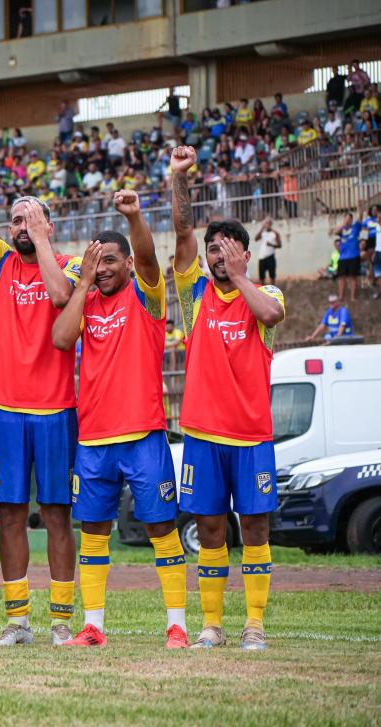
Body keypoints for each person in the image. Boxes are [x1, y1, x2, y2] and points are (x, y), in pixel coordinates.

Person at [0, 132, 81, 647]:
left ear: (49, 226)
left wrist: (42, 240)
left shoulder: (71, 265)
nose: (18, 225)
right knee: (7, 514)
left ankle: (62, 621)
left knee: (55, 514)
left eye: (29, 217)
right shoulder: (1, 262)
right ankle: (19, 621)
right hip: (5, 409)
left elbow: (59, 296)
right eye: (15, 219)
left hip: (54, 408)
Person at [50, 191, 188, 649]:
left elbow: (149, 255)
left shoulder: (146, 294)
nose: (104, 267)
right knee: (92, 530)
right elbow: (60, 339)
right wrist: (84, 283)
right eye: (97, 260)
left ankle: (177, 627)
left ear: (128, 263)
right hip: (93, 438)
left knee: (161, 529)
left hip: (144, 434)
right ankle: (93, 627)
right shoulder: (86, 301)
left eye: (111, 259)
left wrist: (133, 215)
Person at [170, 145, 285, 651]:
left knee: (255, 528)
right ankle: (212, 625)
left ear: (244, 253)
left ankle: (254, 625)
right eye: (213, 248)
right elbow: (180, 231)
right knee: (211, 530)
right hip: (201, 435)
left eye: (228, 247)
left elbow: (272, 317)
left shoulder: (268, 295)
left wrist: (241, 275)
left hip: (251, 435)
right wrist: (179, 178)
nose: (218, 254)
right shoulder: (193, 295)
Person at [331, 210, 363, 302]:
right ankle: (341, 296)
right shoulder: (342, 229)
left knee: (353, 277)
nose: (348, 220)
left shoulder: (355, 227)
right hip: (343, 257)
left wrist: (360, 208)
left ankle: (353, 297)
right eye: (347, 218)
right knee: (341, 277)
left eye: (350, 218)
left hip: (354, 256)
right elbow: (335, 231)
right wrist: (344, 223)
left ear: (352, 220)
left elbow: (360, 219)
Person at [255, 218, 282, 285]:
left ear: (270, 224)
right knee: (261, 278)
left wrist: (271, 245)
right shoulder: (262, 233)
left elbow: (280, 245)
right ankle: (262, 292)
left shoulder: (275, 233)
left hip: (270, 257)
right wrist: (262, 228)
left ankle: (273, 292)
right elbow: (256, 239)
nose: (266, 224)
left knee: (272, 277)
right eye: (264, 223)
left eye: (267, 223)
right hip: (261, 258)